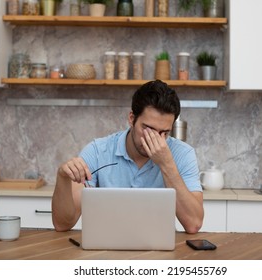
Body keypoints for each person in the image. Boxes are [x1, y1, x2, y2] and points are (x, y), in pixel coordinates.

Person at [52, 80, 203, 234]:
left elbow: (193, 224)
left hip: (158, 250)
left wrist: (166, 164)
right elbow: (63, 224)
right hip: (105, 248)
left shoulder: (183, 154)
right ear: (132, 118)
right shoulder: (98, 151)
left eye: (164, 132)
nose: (155, 139)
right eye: (148, 129)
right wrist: (62, 177)